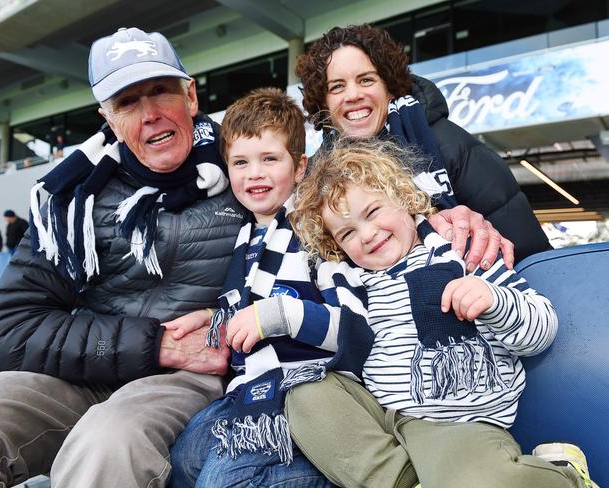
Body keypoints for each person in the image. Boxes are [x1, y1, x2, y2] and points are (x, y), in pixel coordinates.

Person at [0, 27, 244, 488]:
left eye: (160, 91)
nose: (150, 114)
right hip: (90, 368)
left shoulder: (246, 168)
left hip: (192, 374)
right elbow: (11, 331)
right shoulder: (72, 201)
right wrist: (151, 344)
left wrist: (215, 324)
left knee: (107, 442)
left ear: (190, 96)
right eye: (128, 102)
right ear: (108, 119)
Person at [286, 138, 595, 488]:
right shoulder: (351, 285)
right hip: (381, 419)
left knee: (479, 480)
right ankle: (407, 481)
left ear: (403, 198)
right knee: (306, 395)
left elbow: (541, 329)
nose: (368, 234)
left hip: (454, 422)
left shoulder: (463, 253)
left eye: (372, 212)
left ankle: (562, 476)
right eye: (347, 233)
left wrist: (493, 300)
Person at [169, 88, 337, 487]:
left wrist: (276, 315)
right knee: (184, 460)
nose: (254, 174)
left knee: (220, 481)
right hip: (247, 389)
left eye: (269, 159)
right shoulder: (246, 237)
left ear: (299, 168)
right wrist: (214, 316)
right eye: (241, 162)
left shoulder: (319, 231)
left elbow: (349, 324)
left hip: (304, 390)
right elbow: (250, 303)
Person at [295, 24, 552, 266]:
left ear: (390, 88)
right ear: (324, 101)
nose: (352, 95)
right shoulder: (315, 179)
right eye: (337, 86)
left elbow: (528, 253)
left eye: (366, 80)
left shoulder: (449, 145)